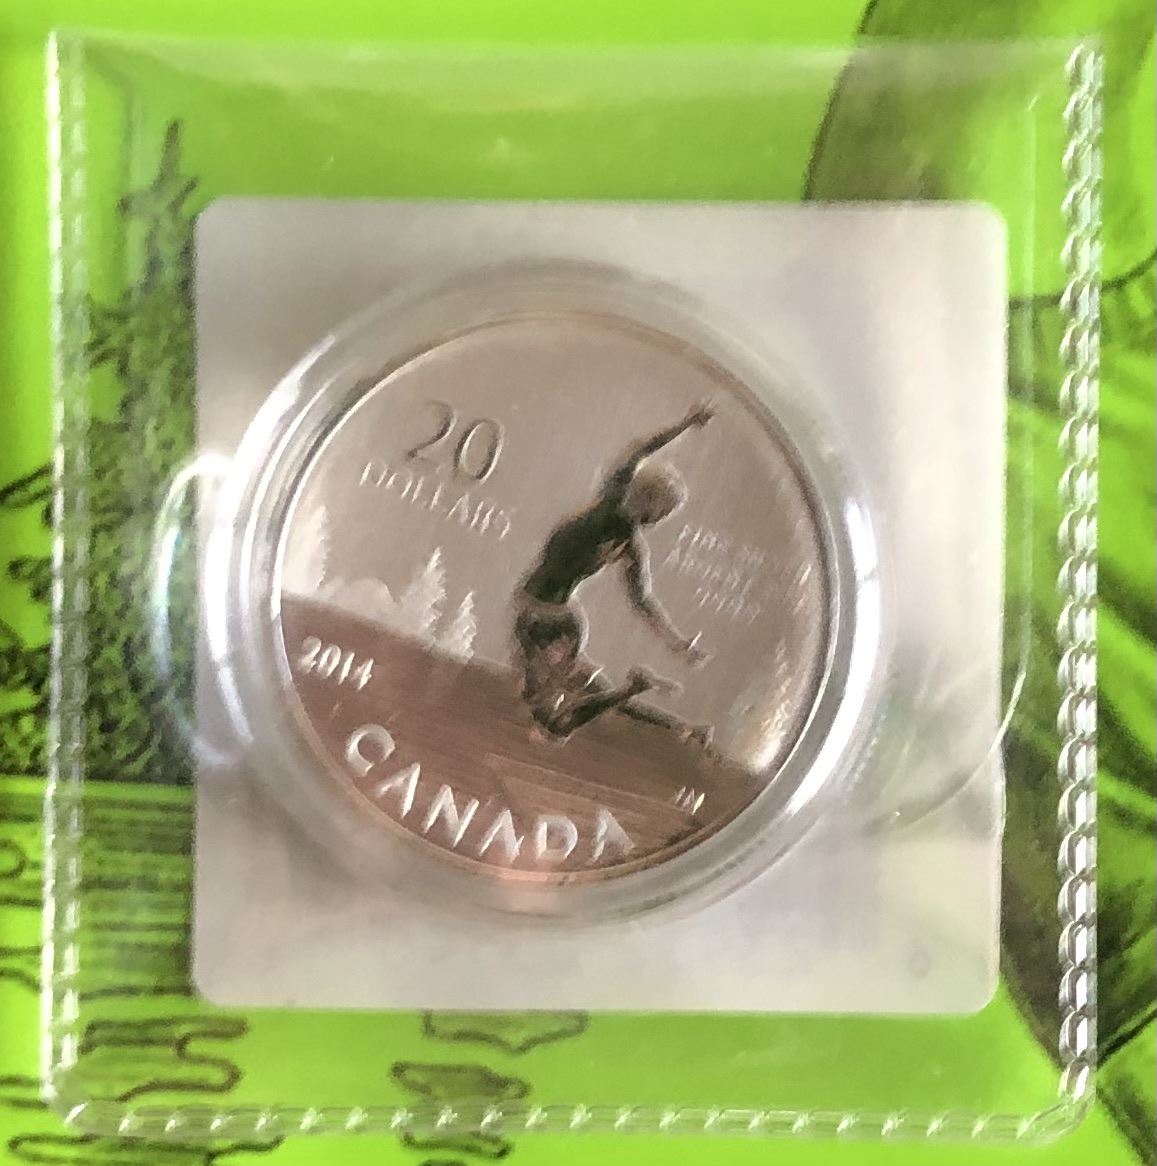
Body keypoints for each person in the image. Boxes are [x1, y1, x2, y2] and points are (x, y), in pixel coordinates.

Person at [513, 403, 714, 744]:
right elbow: (641, 449)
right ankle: (678, 722)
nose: (660, 520)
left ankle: (644, 695)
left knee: (553, 720)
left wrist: (677, 641)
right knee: (565, 707)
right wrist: (686, 423)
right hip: (548, 620)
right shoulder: (616, 506)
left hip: (547, 620)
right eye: (664, 511)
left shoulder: (627, 538)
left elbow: (643, 599)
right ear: (650, 500)